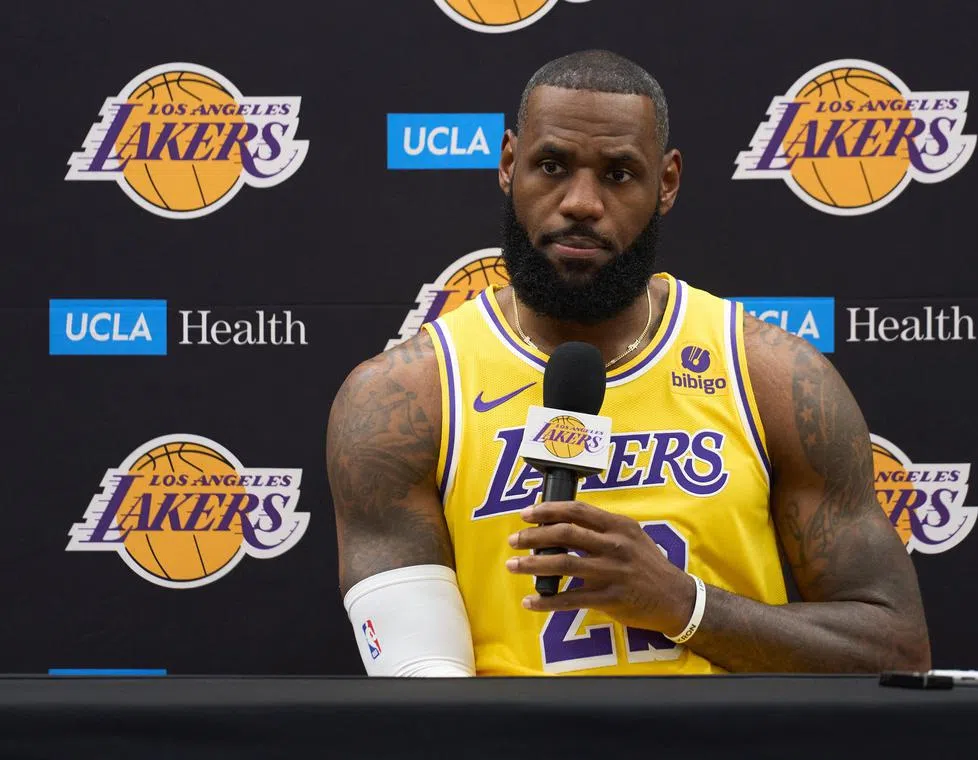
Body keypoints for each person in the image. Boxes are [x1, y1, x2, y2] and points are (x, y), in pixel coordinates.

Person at [326, 50, 930, 676]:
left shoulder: (771, 375)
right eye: (552, 165)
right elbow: (420, 684)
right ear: (509, 164)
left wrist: (682, 604)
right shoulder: (404, 396)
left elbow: (894, 647)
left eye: (618, 174)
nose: (581, 202)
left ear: (666, 183)